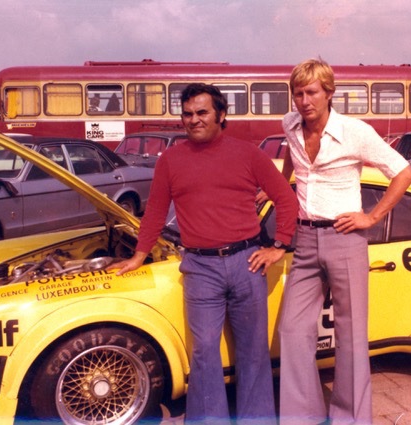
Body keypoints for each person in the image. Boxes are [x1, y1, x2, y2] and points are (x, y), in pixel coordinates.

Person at [113, 83, 298, 423]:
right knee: (204, 353)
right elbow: (155, 210)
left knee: (254, 354)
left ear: (221, 115)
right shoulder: (170, 159)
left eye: (202, 112)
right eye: (187, 114)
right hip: (200, 267)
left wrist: (278, 246)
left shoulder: (248, 154)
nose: (193, 120)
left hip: (248, 264)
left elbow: (286, 198)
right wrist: (139, 254)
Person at [277, 59, 411, 424]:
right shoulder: (289, 125)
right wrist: (280, 185)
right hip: (305, 239)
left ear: (329, 93)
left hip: (346, 239)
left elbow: (404, 173)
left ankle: (350, 419)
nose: (304, 101)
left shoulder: (355, 132)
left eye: (311, 92)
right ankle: (302, 417)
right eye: (298, 93)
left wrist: (371, 217)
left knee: (351, 335)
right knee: (292, 330)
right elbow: (292, 156)